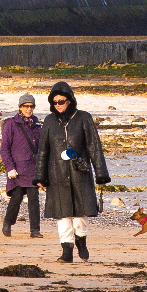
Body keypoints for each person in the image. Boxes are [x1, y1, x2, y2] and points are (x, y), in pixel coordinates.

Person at [37, 81, 108, 263]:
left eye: (62, 101)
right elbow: (43, 150)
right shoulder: (49, 121)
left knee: (79, 217)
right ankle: (66, 252)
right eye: (55, 102)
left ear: (70, 100)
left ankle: (81, 241)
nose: (58, 105)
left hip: (80, 173)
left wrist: (101, 173)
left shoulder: (84, 118)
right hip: (57, 175)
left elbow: (94, 147)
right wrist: (40, 176)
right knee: (62, 216)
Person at [0, 93, 43, 238]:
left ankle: (35, 230)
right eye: (26, 106)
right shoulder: (11, 124)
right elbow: (4, 148)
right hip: (16, 170)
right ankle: (7, 222)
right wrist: (9, 168)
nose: (29, 109)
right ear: (20, 108)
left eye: (31, 106)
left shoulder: (37, 125)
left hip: (32, 169)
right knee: (16, 197)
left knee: (34, 198)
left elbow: (42, 149)